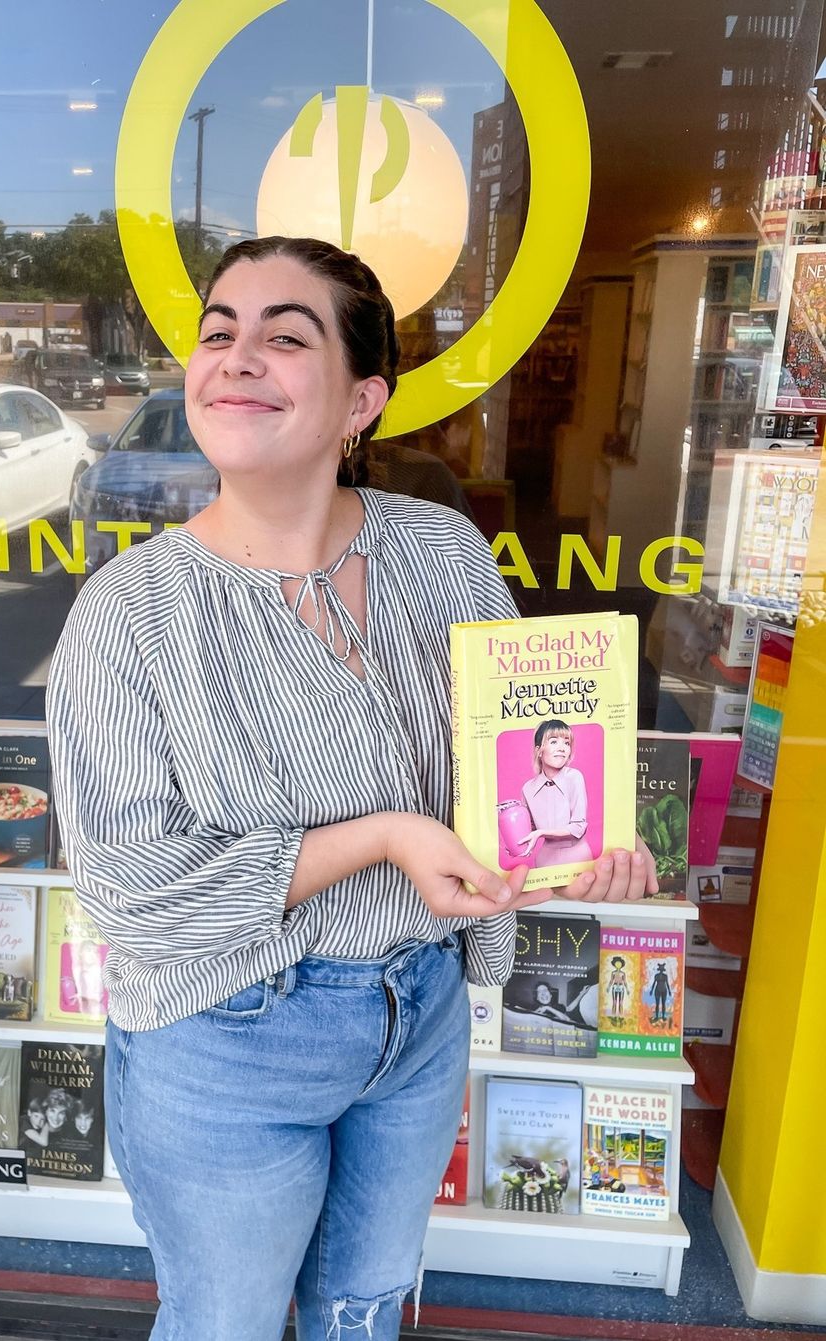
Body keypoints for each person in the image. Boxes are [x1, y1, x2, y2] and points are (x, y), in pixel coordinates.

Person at [46, 236, 657, 1341]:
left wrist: (576, 845)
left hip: (418, 1013)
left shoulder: (443, 551)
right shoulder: (130, 612)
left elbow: (504, 767)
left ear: (361, 402)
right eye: (219, 333)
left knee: (364, 1310)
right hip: (227, 1037)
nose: (237, 357)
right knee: (224, 1323)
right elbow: (130, 895)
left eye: (285, 337)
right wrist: (382, 835)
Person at [520, 718, 594, 867]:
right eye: (554, 741)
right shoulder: (528, 788)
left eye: (567, 743)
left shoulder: (574, 777)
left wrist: (541, 833)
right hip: (545, 861)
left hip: (579, 857)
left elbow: (578, 827)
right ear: (539, 751)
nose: (562, 748)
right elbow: (528, 830)